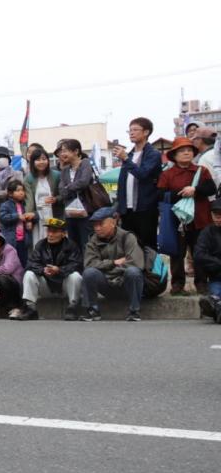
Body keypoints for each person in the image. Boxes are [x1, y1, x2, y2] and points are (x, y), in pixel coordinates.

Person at [157, 136, 216, 294]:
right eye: (182, 150)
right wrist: (182, 193)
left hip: (200, 219)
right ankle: (177, 284)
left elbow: (211, 188)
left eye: (189, 150)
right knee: (177, 253)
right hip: (177, 220)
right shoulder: (167, 174)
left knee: (200, 252)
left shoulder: (202, 170)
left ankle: (202, 283)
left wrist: (195, 190)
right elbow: (160, 194)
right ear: (174, 155)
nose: (186, 153)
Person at [80, 207, 144, 322]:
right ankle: (92, 311)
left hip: (125, 282)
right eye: (95, 225)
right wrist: (113, 263)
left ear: (113, 223)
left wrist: (107, 269)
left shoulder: (127, 237)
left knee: (133, 272)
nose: (97, 228)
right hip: (106, 283)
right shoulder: (92, 241)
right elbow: (89, 264)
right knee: (89, 273)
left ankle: (134, 311)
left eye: (101, 224)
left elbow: (135, 263)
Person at [19, 217, 83, 320]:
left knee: (75, 276)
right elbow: (31, 263)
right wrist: (43, 270)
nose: (50, 234)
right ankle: (30, 309)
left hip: (64, 286)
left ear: (63, 234)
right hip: (46, 284)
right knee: (29, 274)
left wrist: (59, 270)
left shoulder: (72, 246)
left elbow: (76, 265)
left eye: (54, 231)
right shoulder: (41, 245)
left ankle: (73, 308)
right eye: (49, 230)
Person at [113, 117, 163, 249]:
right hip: (127, 209)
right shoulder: (130, 154)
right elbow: (122, 183)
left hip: (145, 208)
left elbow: (142, 174)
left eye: (135, 129)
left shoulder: (153, 154)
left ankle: (151, 264)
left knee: (147, 246)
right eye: (129, 130)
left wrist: (125, 159)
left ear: (146, 132)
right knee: (129, 246)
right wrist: (119, 207)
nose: (131, 133)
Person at [52, 138, 96, 250]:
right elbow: (61, 190)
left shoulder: (85, 163)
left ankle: (87, 261)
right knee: (72, 243)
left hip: (86, 211)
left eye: (65, 151)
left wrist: (68, 187)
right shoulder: (65, 170)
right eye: (61, 151)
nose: (62, 154)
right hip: (70, 212)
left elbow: (84, 182)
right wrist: (70, 188)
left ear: (76, 151)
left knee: (86, 243)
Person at [23, 145, 61, 245]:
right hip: (38, 216)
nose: (41, 162)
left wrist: (55, 199)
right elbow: (29, 200)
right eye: (38, 160)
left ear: (48, 160)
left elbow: (62, 194)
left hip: (54, 213)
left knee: (56, 240)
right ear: (32, 162)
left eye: (44, 159)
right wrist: (29, 219)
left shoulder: (56, 175)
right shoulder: (28, 179)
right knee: (39, 241)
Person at [193, 199, 221, 321]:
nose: (218, 218)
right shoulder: (207, 232)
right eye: (215, 215)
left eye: (220, 215)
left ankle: (217, 309)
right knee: (214, 297)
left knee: (215, 300)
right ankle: (216, 306)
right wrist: (218, 263)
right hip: (217, 277)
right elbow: (199, 255)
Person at [0, 179, 32, 268]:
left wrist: (29, 220)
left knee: (23, 262)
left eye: (22, 190)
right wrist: (17, 216)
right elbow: (3, 218)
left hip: (23, 240)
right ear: (10, 193)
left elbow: (31, 216)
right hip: (11, 240)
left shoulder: (24, 205)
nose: (21, 193)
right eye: (18, 190)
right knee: (11, 262)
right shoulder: (5, 205)